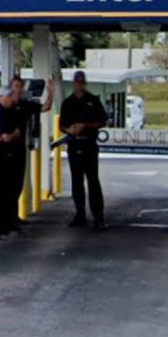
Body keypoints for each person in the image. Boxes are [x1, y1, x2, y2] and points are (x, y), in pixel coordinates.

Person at [58, 71, 107, 230]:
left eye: (82, 82)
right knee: (76, 181)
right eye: (77, 82)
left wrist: (86, 125)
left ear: (85, 83)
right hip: (74, 144)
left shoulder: (93, 100)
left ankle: (98, 217)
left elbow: (103, 121)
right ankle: (80, 214)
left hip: (89, 144)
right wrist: (69, 130)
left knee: (93, 181)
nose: (79, 85)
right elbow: (61, 125)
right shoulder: (68, 103)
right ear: (73, 83)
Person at [0, 86, 25, 235]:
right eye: (9, 96)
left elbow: (16, 132)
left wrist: (13, 134)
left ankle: (11, 220)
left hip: (13, 156)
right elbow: (6, 137)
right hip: (1, 159)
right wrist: (14, 134)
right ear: (1, 97)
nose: (11, 98)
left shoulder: (12, 112)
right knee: (2, 191)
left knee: (12, 190)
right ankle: (2, 223)